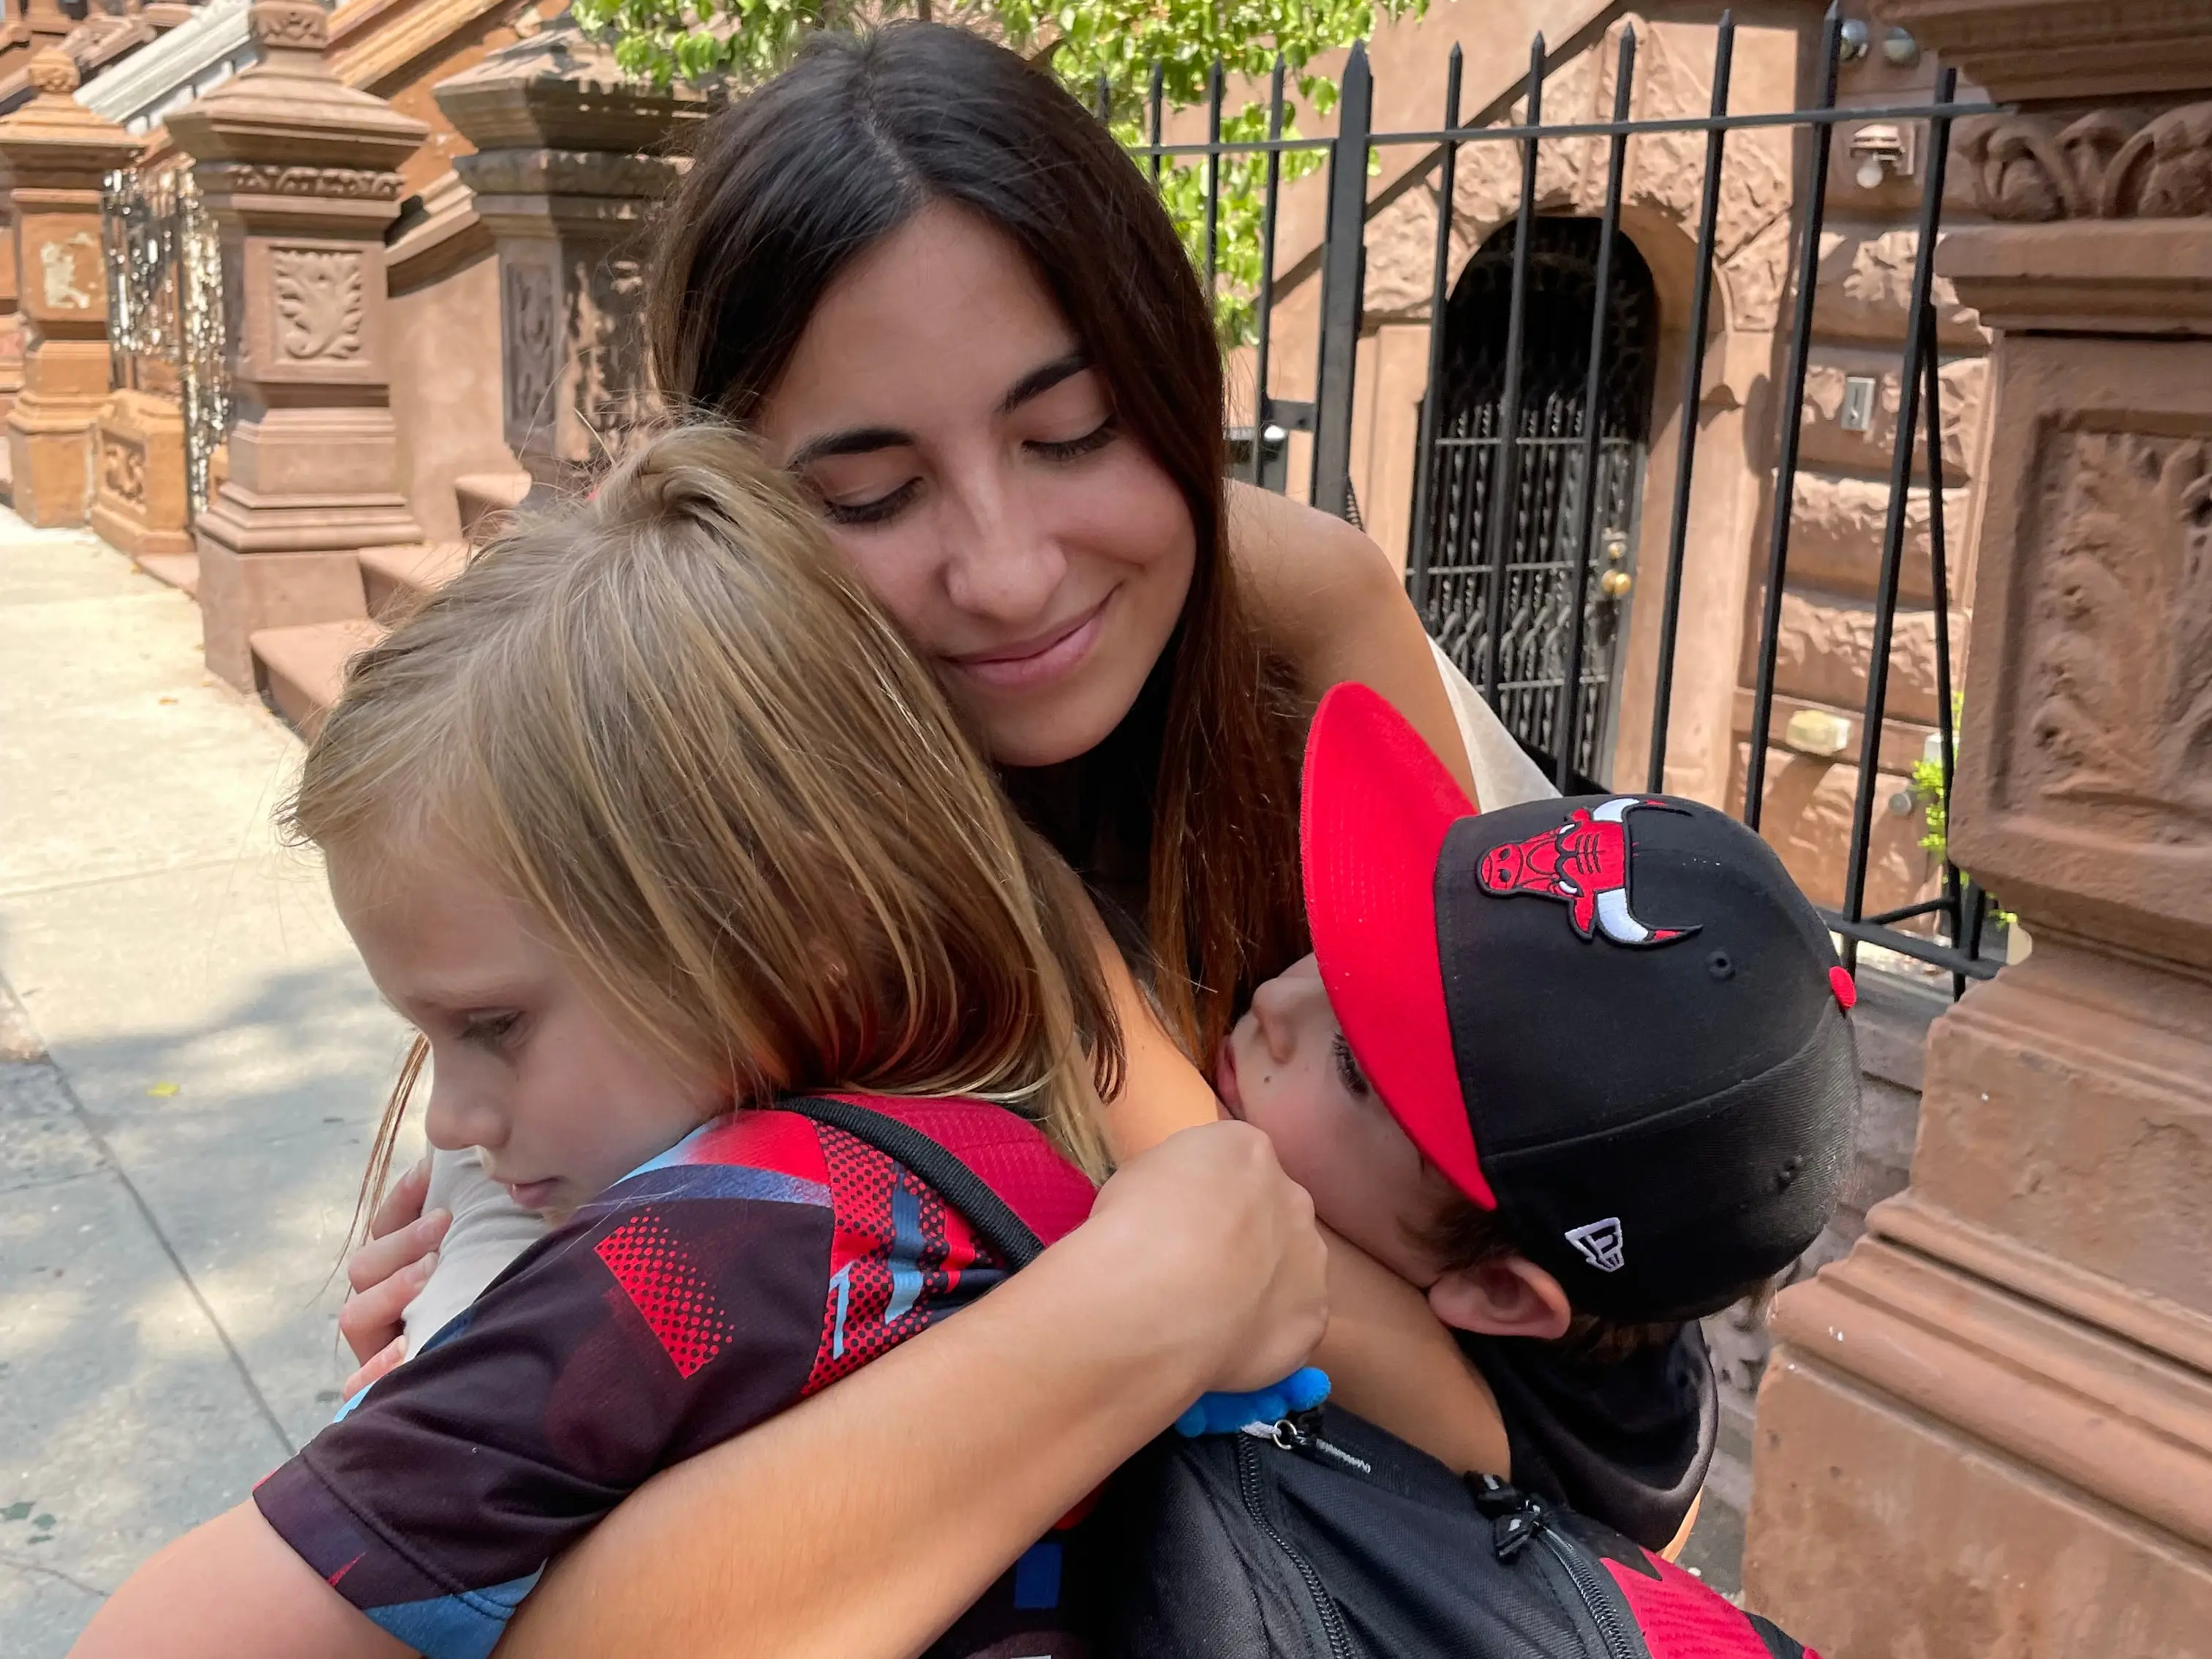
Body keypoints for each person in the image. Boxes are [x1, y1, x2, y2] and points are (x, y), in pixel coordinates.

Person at [338, 27, 1714, 1659]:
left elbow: (1570, 1434)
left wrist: (1342, 604)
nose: (1003, 572)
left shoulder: (1302, 698)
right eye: (868, 495)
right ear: (734, 528)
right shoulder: (655, 883)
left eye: (1070, 435)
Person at [69, 428, 1330, 1659]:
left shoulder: (713, 1248)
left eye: (494, 1026)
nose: (451, 1116)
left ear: (794, 920)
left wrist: (442, 1402)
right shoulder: (1015, 1168)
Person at [1213, 683, 1862, 1551]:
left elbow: (1123, 1086)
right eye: (1337, 952)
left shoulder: (1470, 1413)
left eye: (1356, 1067)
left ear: (1500, 1293)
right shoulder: (1624, 1282)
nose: (1274, 998)